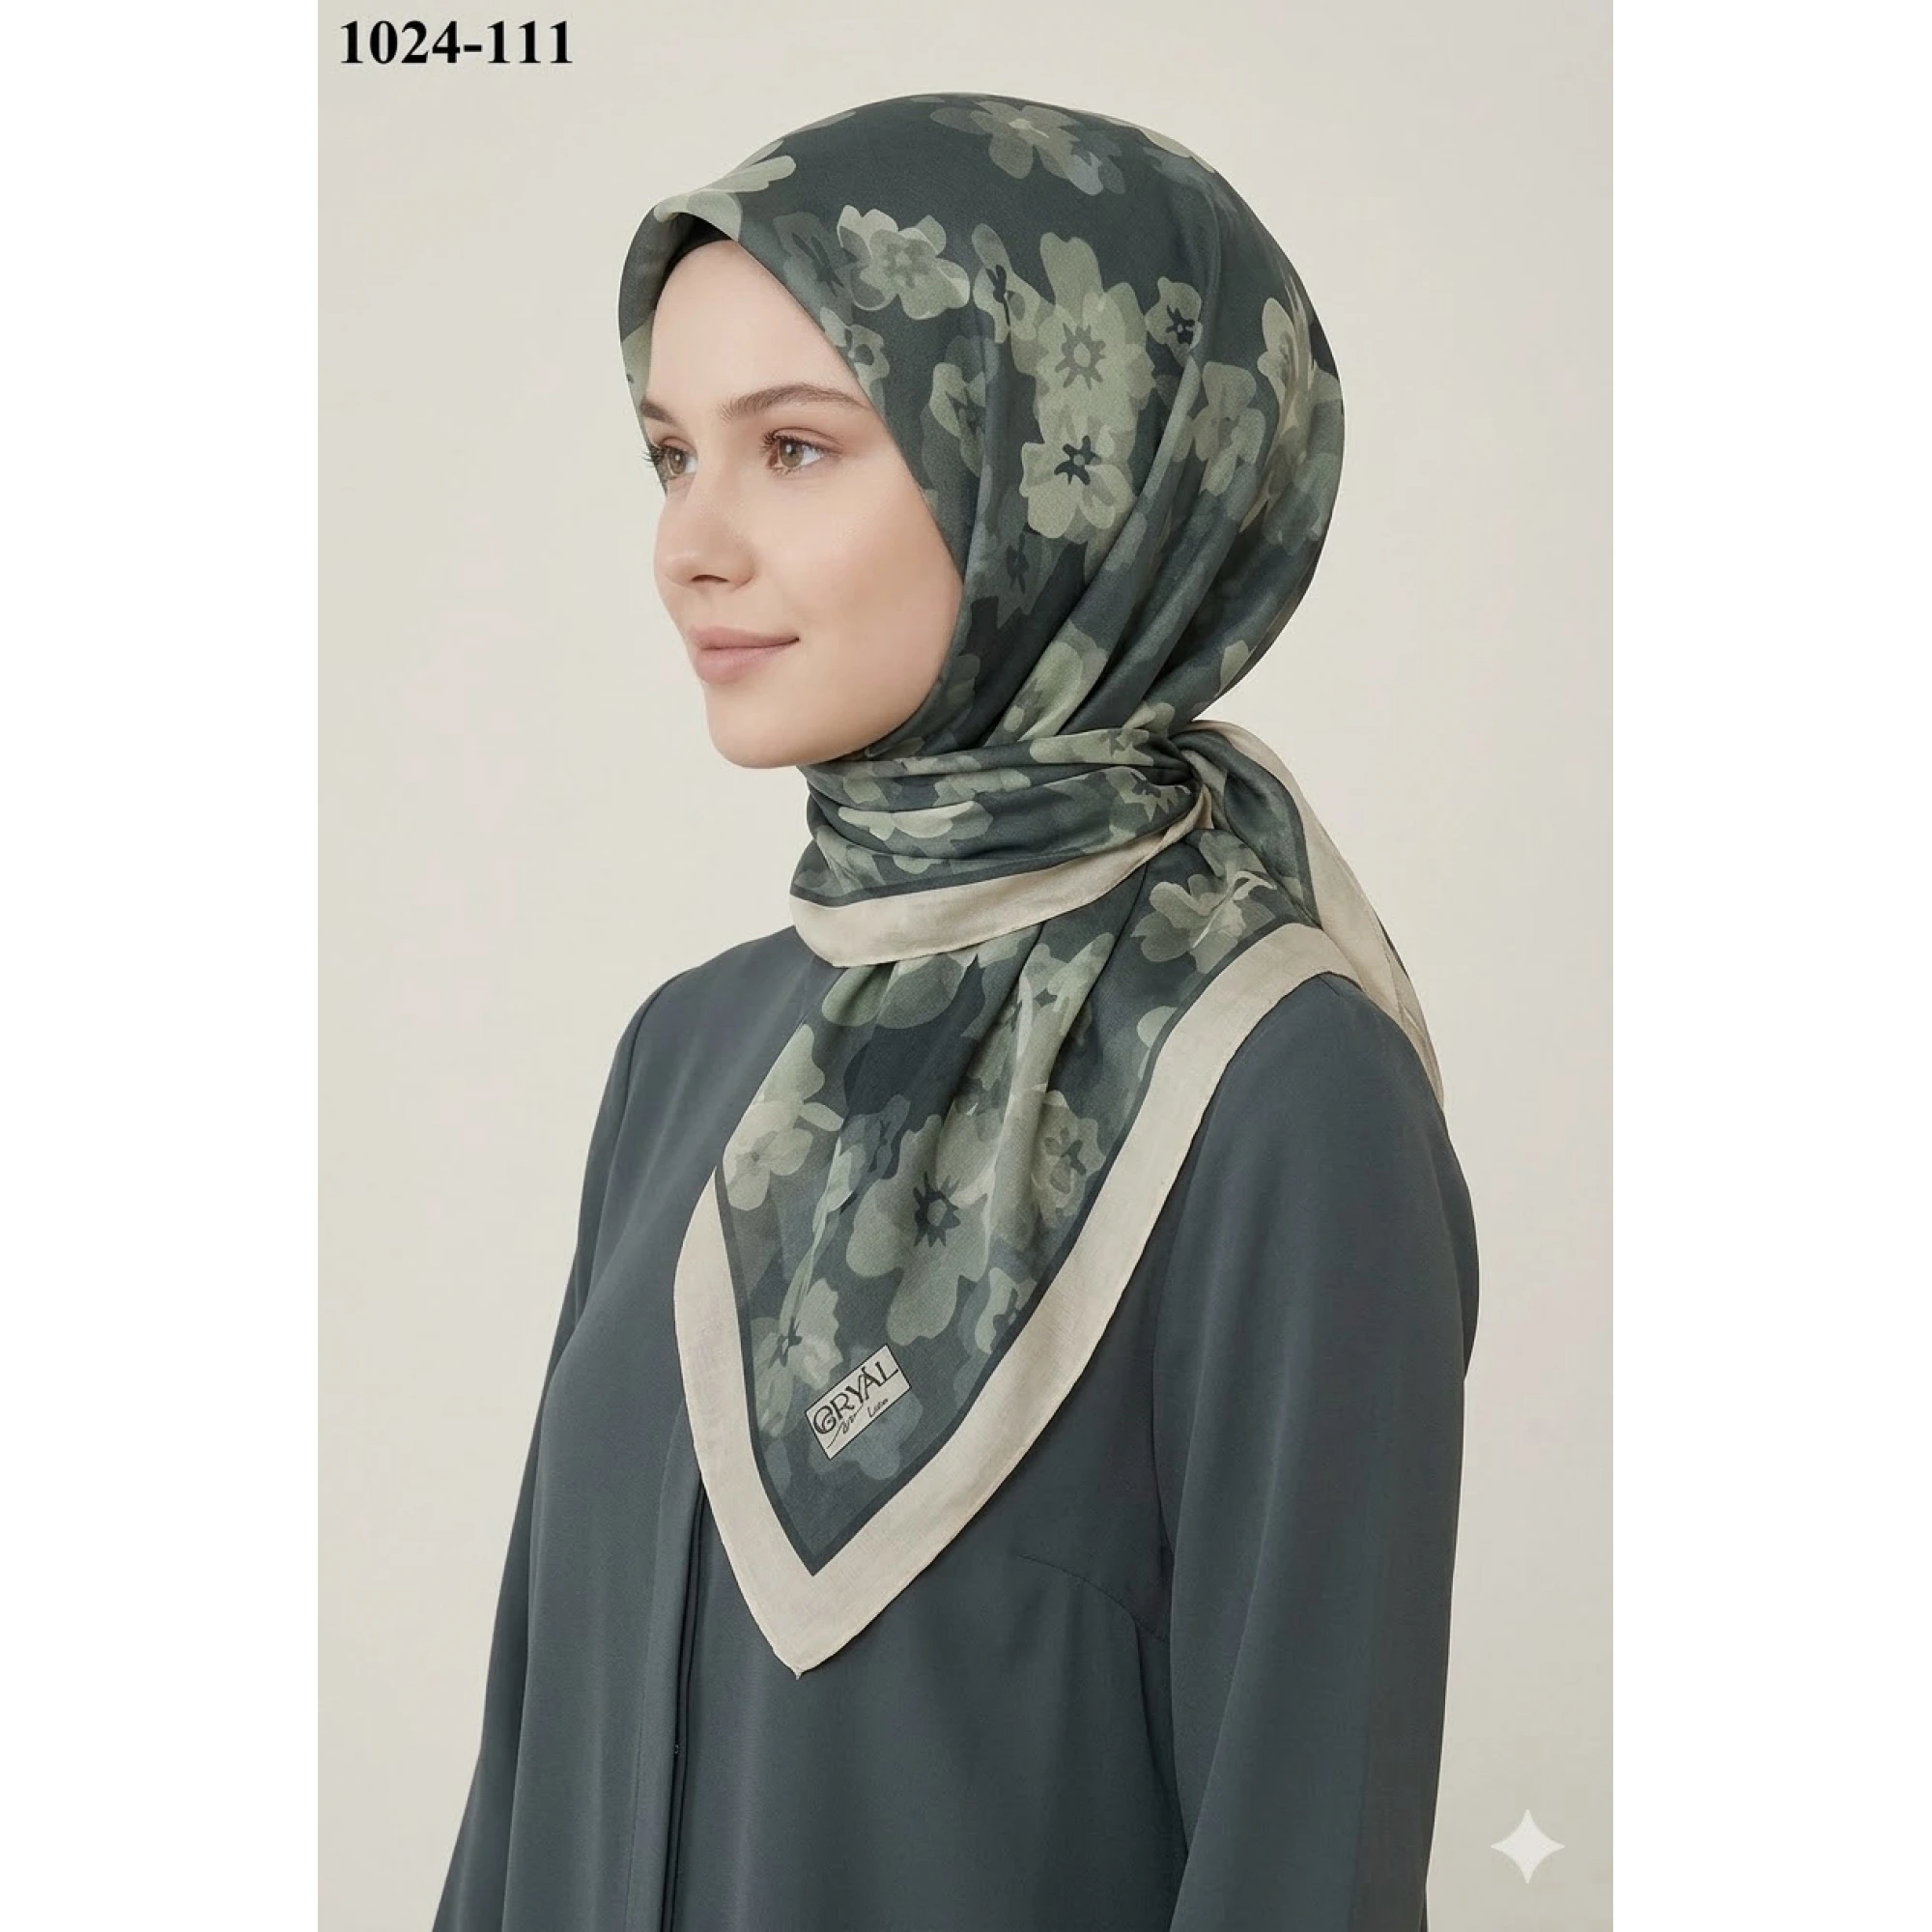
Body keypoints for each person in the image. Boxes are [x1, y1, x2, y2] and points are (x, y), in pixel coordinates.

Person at [434, 90, 1480, 1932]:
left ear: (1066, 472)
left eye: (797, 448)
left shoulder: (1272, 1081)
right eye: (672, 453)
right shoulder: (686, 1056)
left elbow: (1305, 1860)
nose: (690, 545)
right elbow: (524, 1789)